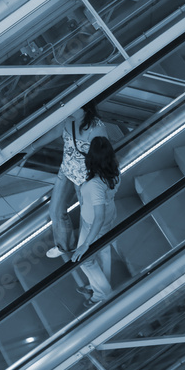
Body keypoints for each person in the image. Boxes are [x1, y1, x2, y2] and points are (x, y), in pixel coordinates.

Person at [46, 101, 105, 257]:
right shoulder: (68, 119)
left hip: (86, 178)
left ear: (85, 107)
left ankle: (89, 245)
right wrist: (31, 148)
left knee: (87, 216)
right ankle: (66, 246)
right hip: (66, 170)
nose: (68, 109)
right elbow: (55, 132)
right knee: (55, 210)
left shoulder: (96, 128)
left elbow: (103, 157)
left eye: (73, 106)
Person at [71, 136, 120, 304]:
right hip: (107, 217)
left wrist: (85, 245)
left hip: (95, 223)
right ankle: (96, 285)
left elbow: (98, 217)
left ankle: (103, 294)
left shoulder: (95, 184)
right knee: (103, 252)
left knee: (85, 260)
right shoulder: (114, 171)